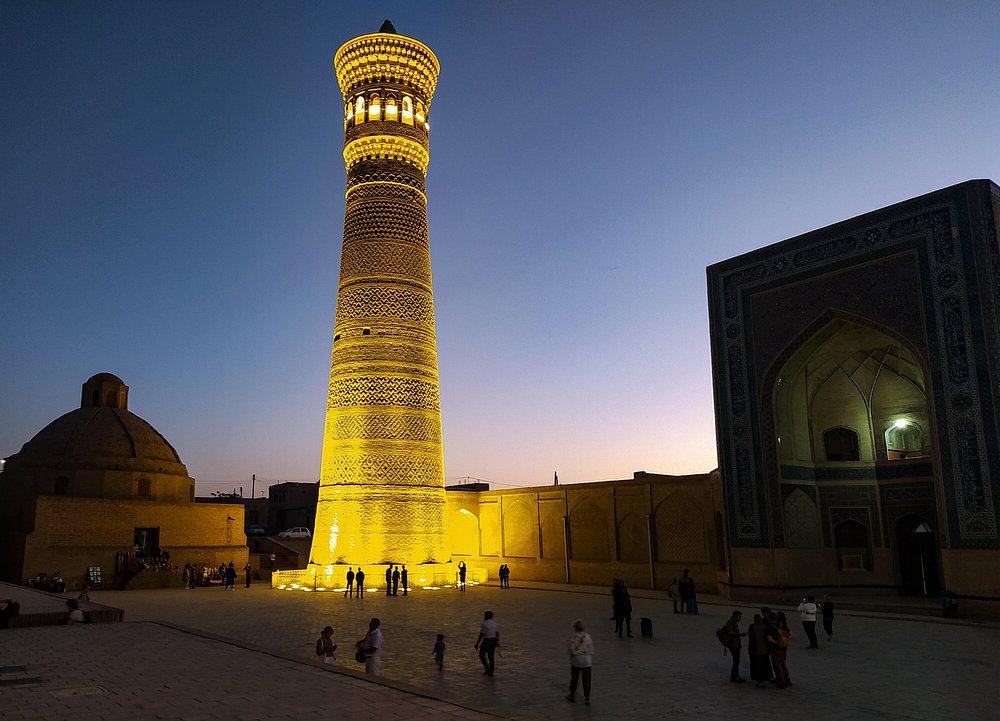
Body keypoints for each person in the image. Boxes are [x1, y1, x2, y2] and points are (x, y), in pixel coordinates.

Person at [565, 619, 593, 705]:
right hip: (586, 661)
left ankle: (572, 695)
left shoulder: (572, 637)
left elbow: (571, 650)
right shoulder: (587, 637)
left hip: (576, 660)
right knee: (587, 680)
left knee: (574, 678)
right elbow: (591, 650)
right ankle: (587, 698)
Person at [765, 611, 791, 689]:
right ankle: (787, 680)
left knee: (777, 666)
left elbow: (769, 639)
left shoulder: (769, 627)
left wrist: (777, 642)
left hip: (776, 649)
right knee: (783, 665)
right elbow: (789, 634)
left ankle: (781, 682)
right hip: (784, 648)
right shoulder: (781, 625)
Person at [747, 613, 773, 688]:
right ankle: (763, 681)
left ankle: (759, 681)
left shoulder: (752, 627)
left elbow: (750, 636)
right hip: (764, 650)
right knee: (764, 666)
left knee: (756, 666)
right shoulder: (764, 627)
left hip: (755, 650)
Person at [475, 610, 499, 677]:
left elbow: (481, 634)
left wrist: (477, 644)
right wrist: (497, 642)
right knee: (491, 657)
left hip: (487, 641)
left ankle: (487, 668)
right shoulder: (494, 623)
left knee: (481, 655)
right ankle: (491, 672)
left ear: (486, 616)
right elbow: (497, 633)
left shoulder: (484, 623)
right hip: (493, 640)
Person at [723, 610, 746, 682]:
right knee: (736, 661)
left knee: (737, 661)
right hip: (733, 644)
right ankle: (733, 677)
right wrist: (740, 634)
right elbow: (730, 632)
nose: (740, 618)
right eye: (739, 616)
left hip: (735, 644)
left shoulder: (733, 622)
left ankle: (736, 676)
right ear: (736, 615)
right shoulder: (731, 622)